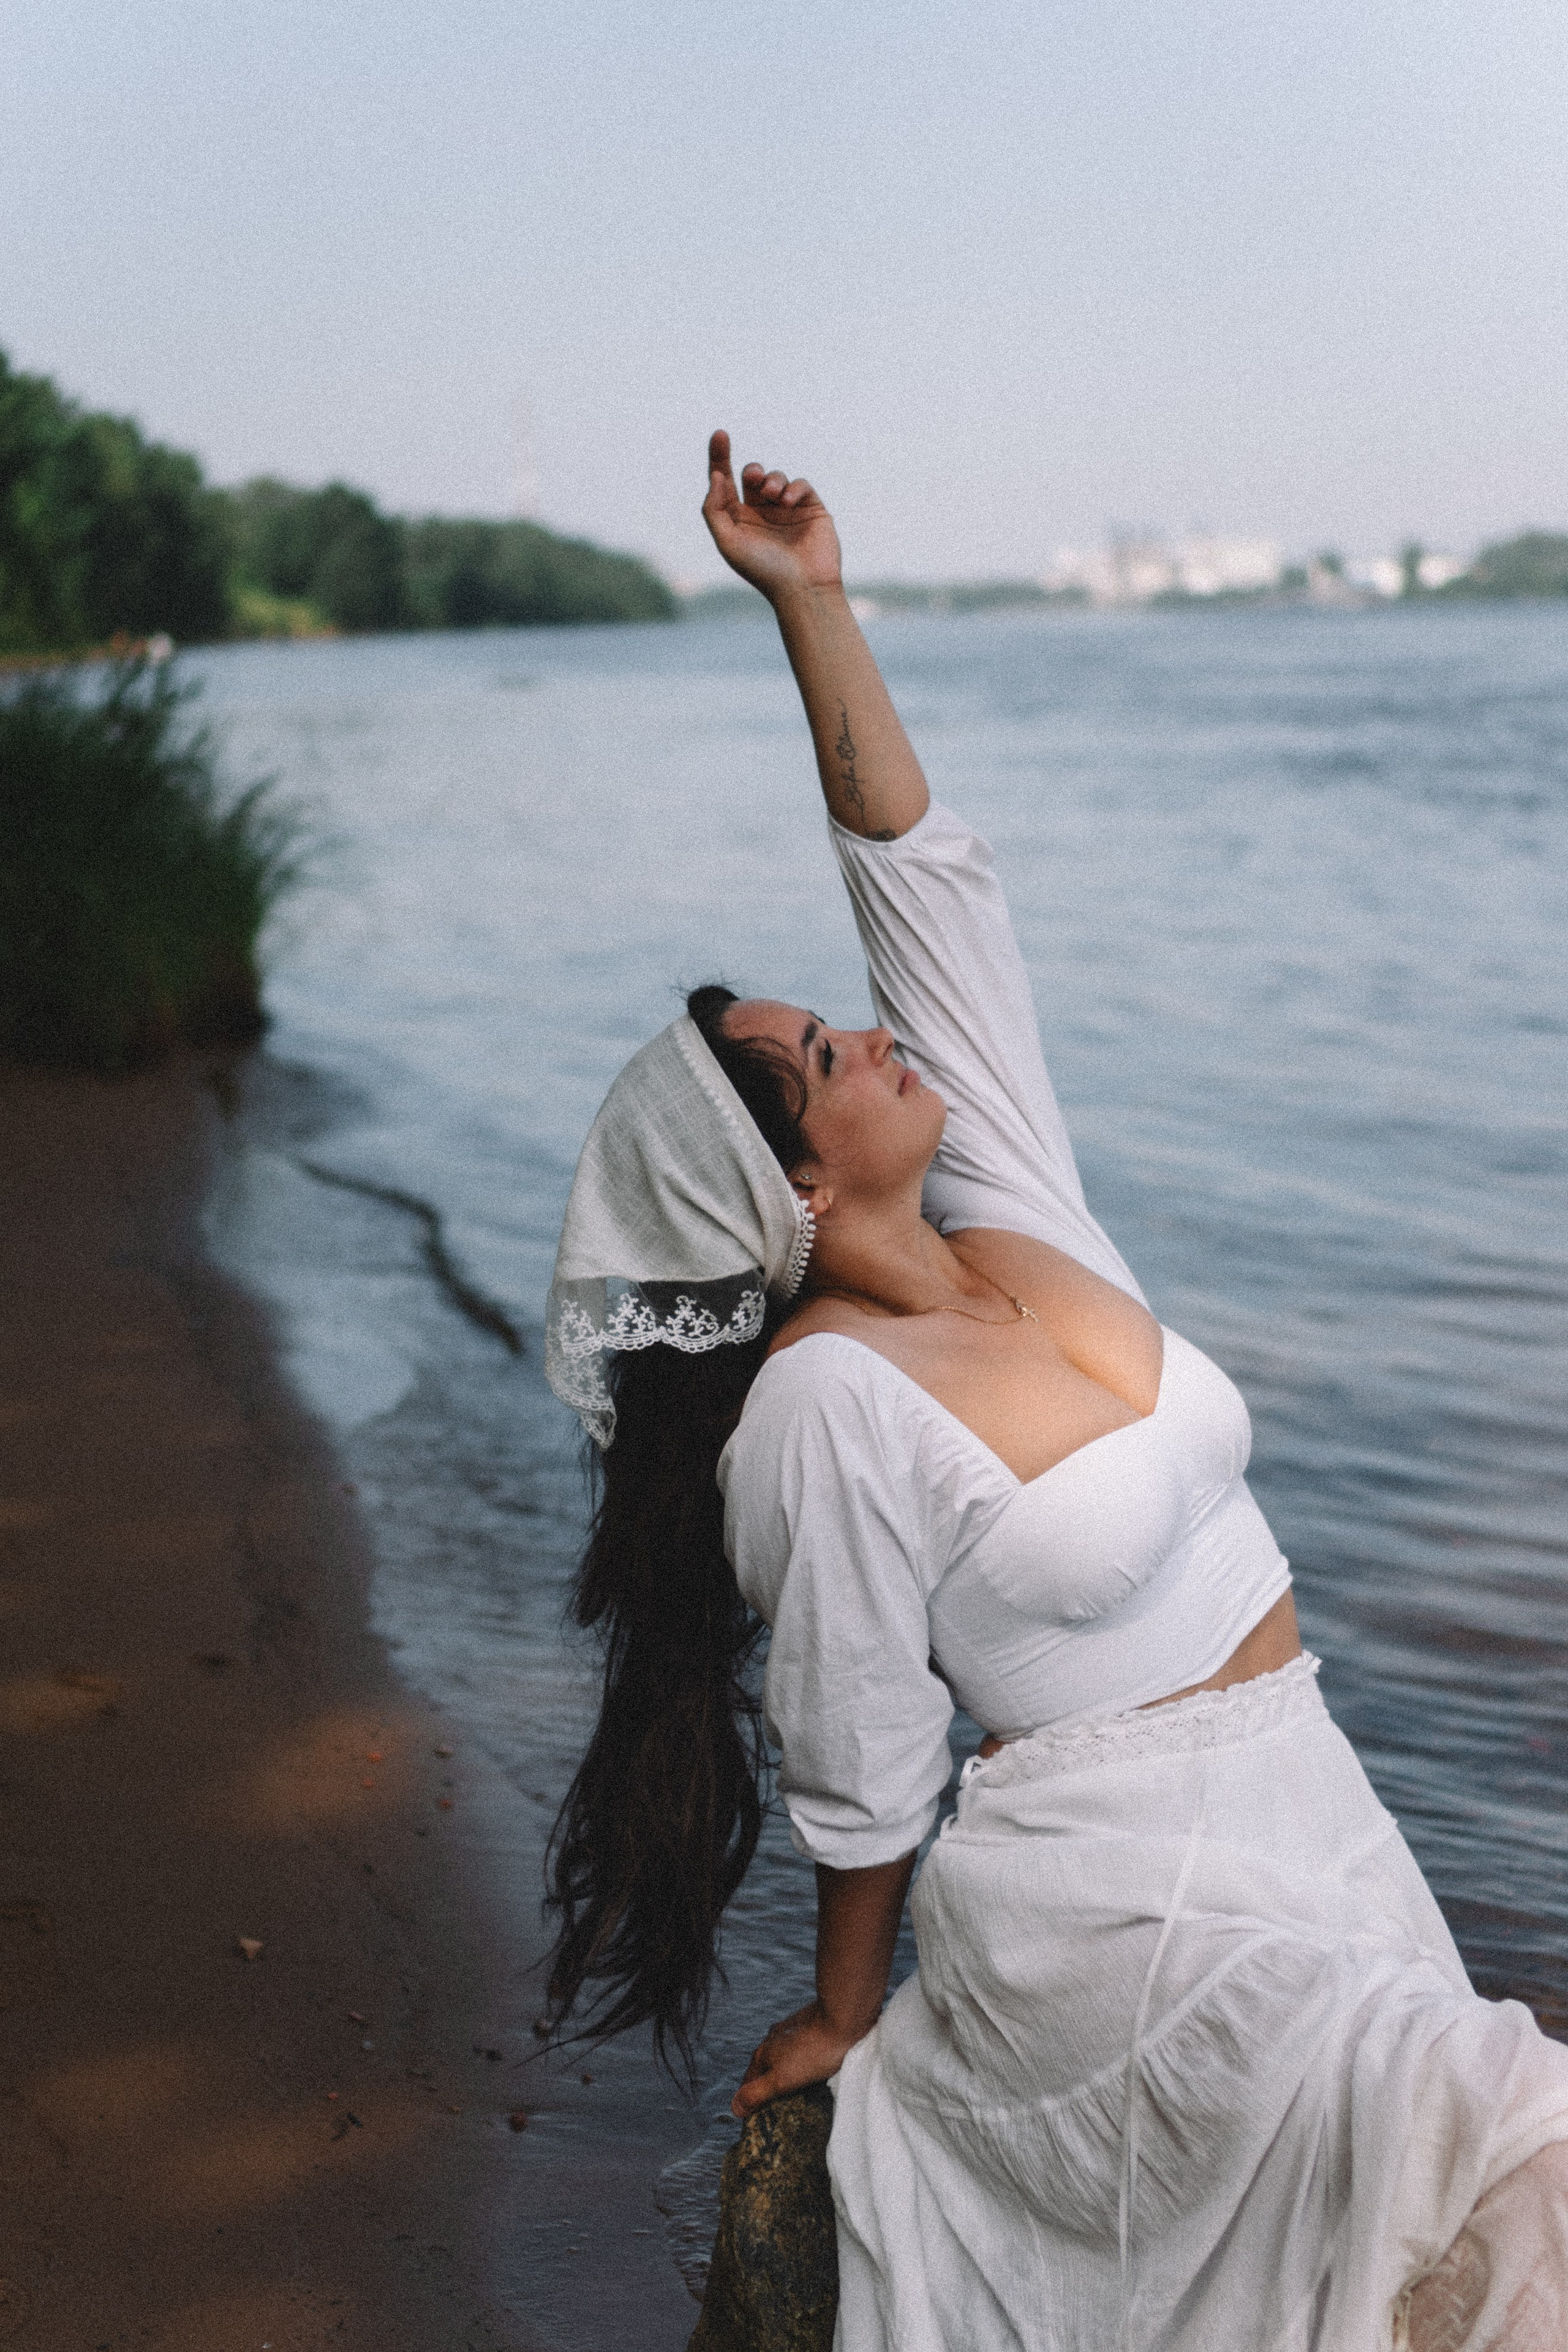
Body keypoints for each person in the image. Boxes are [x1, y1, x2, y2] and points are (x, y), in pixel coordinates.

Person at [541, 432, 1568, 2350]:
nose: (859, 1023)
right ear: (791, 1191)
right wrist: (849, 2018)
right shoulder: (821, 1410)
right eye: (818, 1050)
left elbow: (923, 881)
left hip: (1320, 1822)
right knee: (1523, 2154)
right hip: (1121, 1906)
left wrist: (813, 604)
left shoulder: (1013, 1199)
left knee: (1440, 2273)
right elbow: (859, 1753)